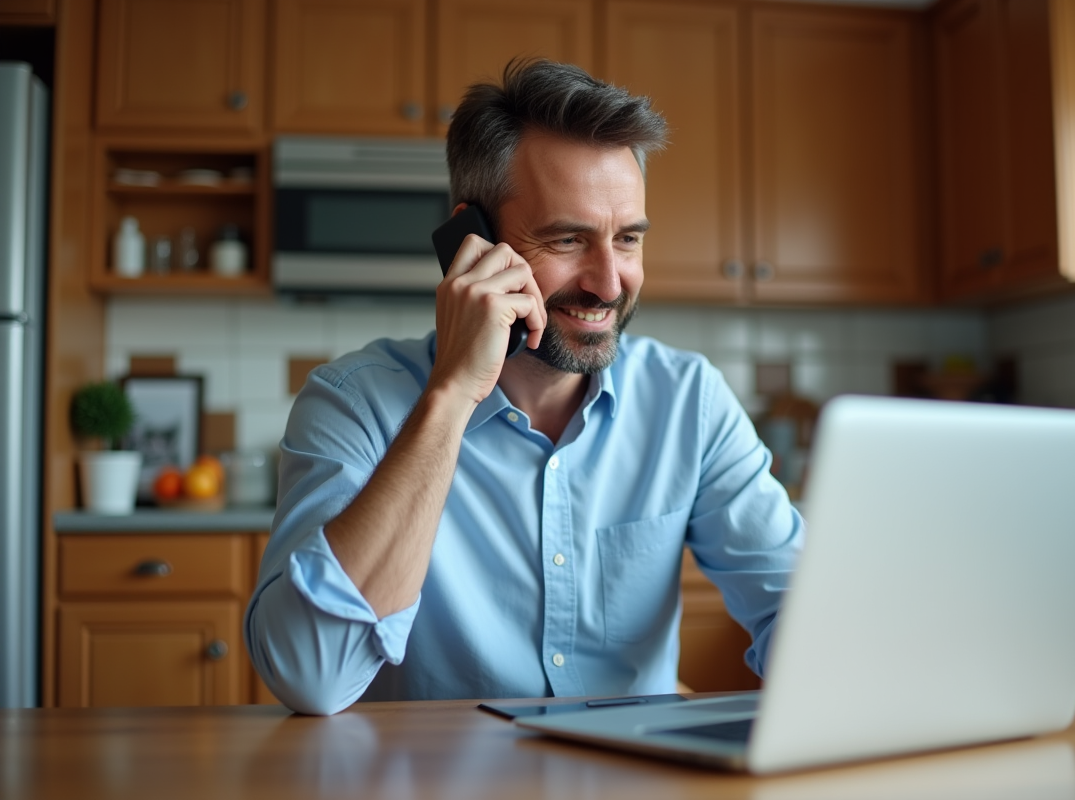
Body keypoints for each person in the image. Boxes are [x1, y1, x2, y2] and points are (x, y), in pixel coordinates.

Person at [244, 59, 803, 715]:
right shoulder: (352, 403)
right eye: (568, 238)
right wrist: (450, 396)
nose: (609, 282)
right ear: (469, 243)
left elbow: (799, 613)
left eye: (627, 239)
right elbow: (311, 677)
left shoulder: (688, 401)